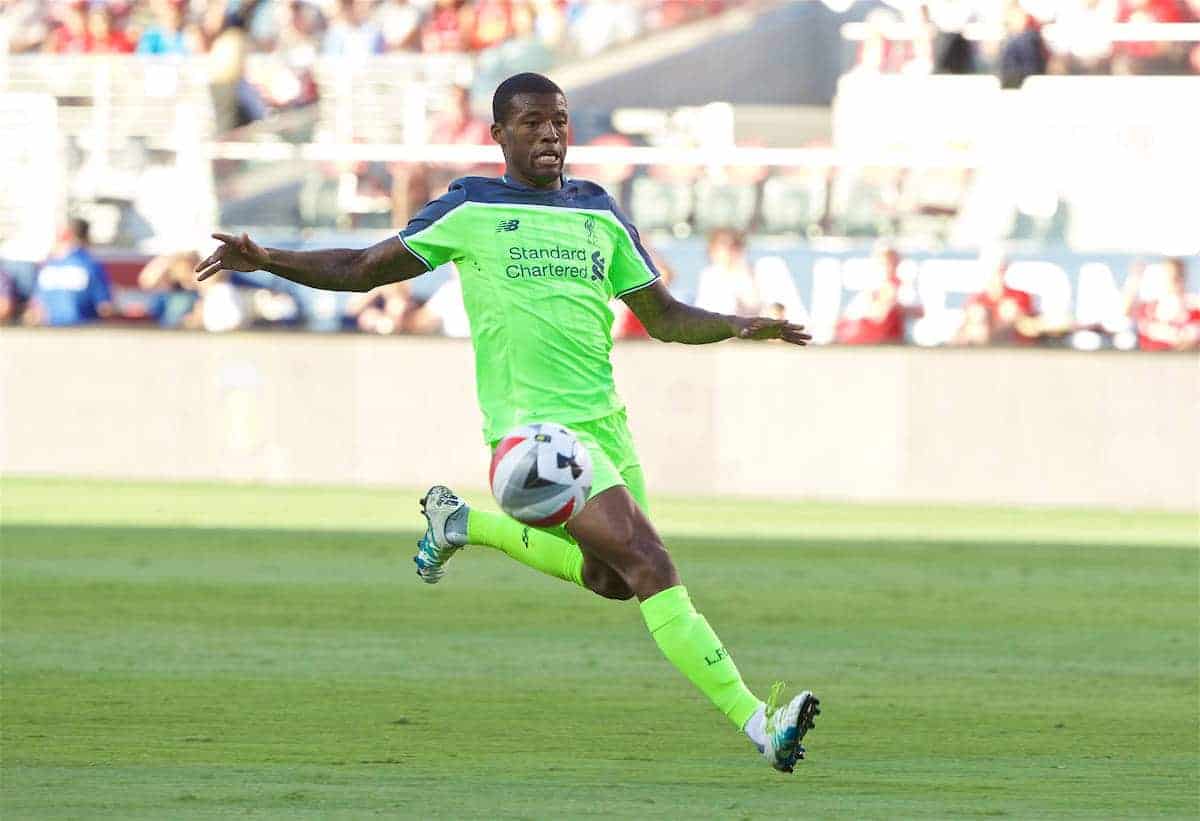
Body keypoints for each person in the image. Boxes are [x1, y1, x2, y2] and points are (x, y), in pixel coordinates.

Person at [196, 73, 819, 774]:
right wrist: (268, 258)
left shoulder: (601, 212)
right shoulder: (472, 205)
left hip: (605, 428)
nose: (549, 134)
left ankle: (462, 523)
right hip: (533, 438)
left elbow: (665, 318)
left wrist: (742, 325)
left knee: (613, 579)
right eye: (530, 123)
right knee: (652, 565)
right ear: (498, 135)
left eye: (558, 121)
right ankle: (759, 722)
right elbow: (363, 267)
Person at [23, 218, 114, 327]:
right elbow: (104, 307)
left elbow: (35, 307)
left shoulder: (48, 265)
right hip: (82, 331)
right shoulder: (90, 265)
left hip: (49, 331)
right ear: (87, 237)